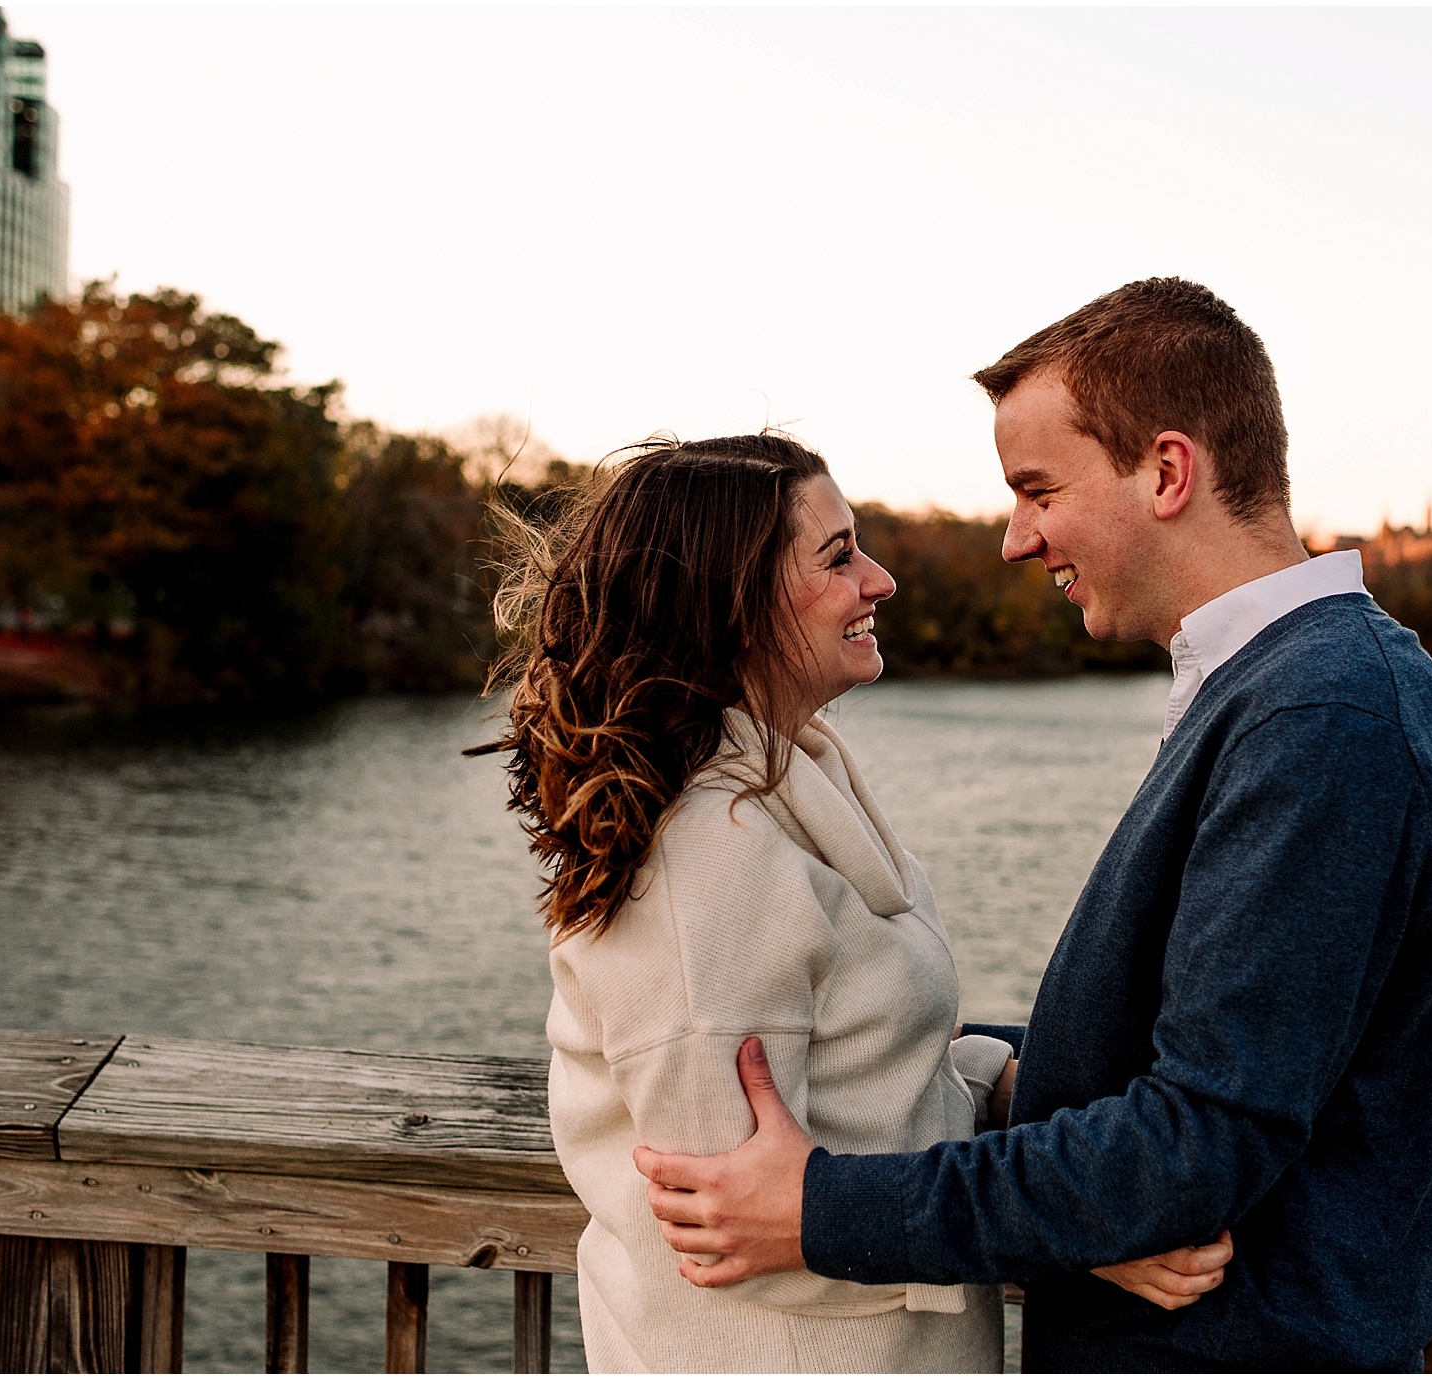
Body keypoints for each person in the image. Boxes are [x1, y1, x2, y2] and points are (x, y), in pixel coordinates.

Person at [629, 280, 1432, 1372]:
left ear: (1167, 472)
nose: (1014, 539)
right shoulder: (1295, 689)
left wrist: (821, 1209)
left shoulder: (1324, 714)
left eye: (1037, 490)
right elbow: (1217, 1055)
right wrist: (975, 1070)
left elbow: (1198, 1143)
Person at [490, 433, 1233, 1372]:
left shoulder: (794, 784)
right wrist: (1081, 1227)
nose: (878, 580)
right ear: (732, 605)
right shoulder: (705, 865)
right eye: (837, 556)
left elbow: (869, 1079)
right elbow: (734, 1222)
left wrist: (997, 1084)